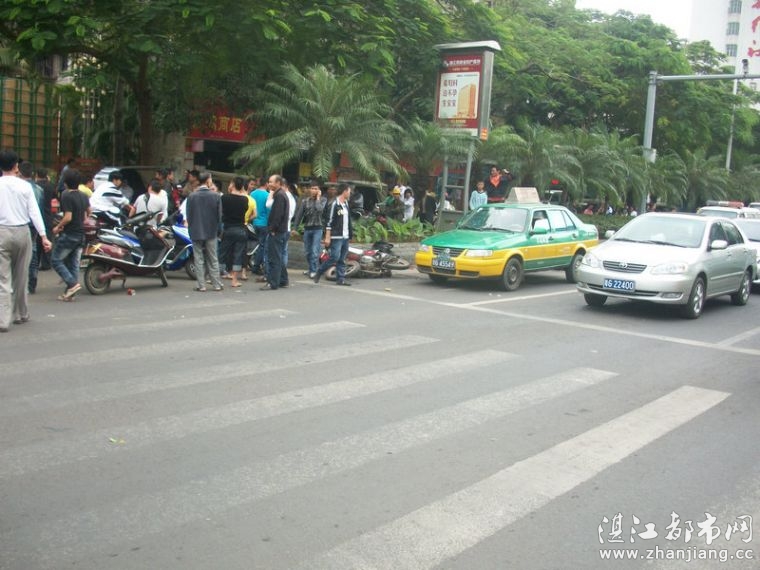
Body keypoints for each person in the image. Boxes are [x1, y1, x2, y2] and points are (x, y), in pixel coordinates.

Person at [51, 168, 91, 302]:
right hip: (81, 234)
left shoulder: (66, 195)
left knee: (56, 260)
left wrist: (58, 227)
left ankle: (72, 284)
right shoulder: (83, 195)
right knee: (73, 263)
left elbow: (68, 217)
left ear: (66, 182)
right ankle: (70, 293)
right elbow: (89, 211)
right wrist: (83, 219)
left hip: (70, 234)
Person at [186, 171, 223, 292]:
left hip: (196, 231)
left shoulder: (192, 196)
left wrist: (191, 229)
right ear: (208, 181)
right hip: (211, 230)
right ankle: (216, 284)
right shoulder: (216, 196)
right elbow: (219, 216)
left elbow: (189, 215)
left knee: (198, 258)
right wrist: (219, 231)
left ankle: (201, 285)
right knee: (213, 258)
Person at [313, 183, 353, 286]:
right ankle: (320, 271)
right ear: (344, 191)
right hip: (336, 235)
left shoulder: (346, 203)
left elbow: (348, 220)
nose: (350, 193)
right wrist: (327, 237)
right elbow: (329, 221)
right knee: (335, 257)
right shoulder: (334, 204)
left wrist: (350, 234)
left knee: (342, 259)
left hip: (345, 236)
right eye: (349, 191)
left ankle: (340, 279)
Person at [19, 161, 44, 294]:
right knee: (33, 253)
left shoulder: (19, 188)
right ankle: (32, 283)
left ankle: (20, 283)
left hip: (21, 224)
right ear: (32, 174)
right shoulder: (39, 189)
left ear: (19, 173)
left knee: (19, 254)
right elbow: (39, 211)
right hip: (34, 225)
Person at [220, 176, 250, 287]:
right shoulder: (245, 199)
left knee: (222, 253)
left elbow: (221, 211)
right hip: (241, 229)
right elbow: (245, 210)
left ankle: (216, 278)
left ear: (232, 185)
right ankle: (234, 280)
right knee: (238, 255)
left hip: (228, 229)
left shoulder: (224, 198)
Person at [292, 180, 326, 278]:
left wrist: (318, 198)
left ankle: (314, 271)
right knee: (307, 252)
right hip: (307, 229)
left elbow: (320, 210)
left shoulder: (323, 200)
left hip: (318, 229)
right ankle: (311, 269)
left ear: (319, 190)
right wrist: (295, 228)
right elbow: (299, 215)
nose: (314, 190)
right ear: (310, 190)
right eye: (312, 188)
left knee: (315, 251)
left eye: (316, 189)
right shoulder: (305, 201)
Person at [261, 174, 289, 290]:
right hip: (280, 230)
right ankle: (283, 280)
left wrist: (272, 229)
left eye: (271, 182)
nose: (269, 184)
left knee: (274, 258)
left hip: (277, 231)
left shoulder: (279, 196)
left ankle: (273, 282)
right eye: (269, 182)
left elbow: (277, 215)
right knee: (278, 256)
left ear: (278, 183)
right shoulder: (280, 194)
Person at [35, 168, 56, 270]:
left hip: (37, 214)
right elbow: (55, 197)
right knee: (47, 238)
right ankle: (46, 263)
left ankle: (36, 261)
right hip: (47, 214)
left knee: (37, 240)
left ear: (37, 175)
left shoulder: (35, 186)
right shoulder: (49, 186)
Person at [250, 177, 270, 280]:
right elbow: (269, 211)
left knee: (256, 245)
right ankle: (256, 266)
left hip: (254, 222)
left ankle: (254, 263)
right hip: (264, 223)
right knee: (263, 246)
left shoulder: (252, 194)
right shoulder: (267, 195)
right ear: (266, 184)